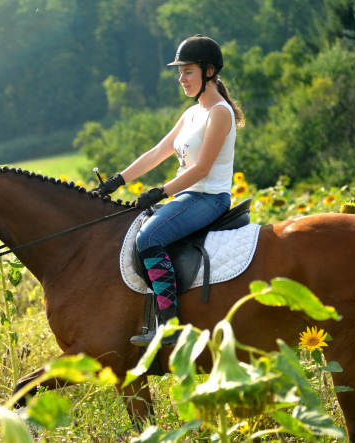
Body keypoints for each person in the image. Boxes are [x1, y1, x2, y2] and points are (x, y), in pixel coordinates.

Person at [94, 34, 245, 347]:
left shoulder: (219, 112)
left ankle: (171, 327)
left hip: (209, 198)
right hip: (188, 197)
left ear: (209, 72)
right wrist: (116, 180)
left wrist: (160, 192)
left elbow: (202, 169)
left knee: (150, 237)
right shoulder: (191, 114)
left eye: (187, 71)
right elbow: (156, 153)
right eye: (180, 72)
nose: (181, 78)